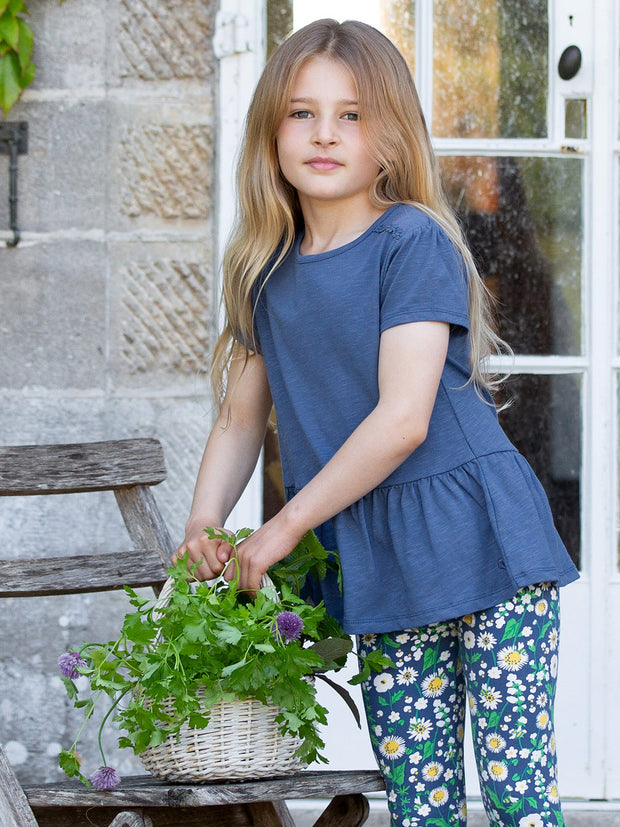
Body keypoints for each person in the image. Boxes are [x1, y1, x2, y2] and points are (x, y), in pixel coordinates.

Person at [174, 19, 578, 827]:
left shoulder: (410, 241)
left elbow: (403, 420)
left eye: (352, 114)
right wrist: (202, 523)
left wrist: (283, 526)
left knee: (516, 795)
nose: (326, 133)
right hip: (384, 568)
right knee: (418, 801)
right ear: (271, 132)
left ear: (389, 138)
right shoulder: (266, 270)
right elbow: (238, 421)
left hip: (484, 546)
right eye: (302, 112)